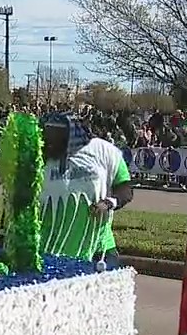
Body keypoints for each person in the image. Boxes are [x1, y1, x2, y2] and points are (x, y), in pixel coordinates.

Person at [39, 112, 134, 266]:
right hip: (50, 248)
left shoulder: (105, 151)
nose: (49, 140)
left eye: (54, 134)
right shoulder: (40, 157)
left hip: (98, 249)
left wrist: (109, 202)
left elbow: (125, 190)